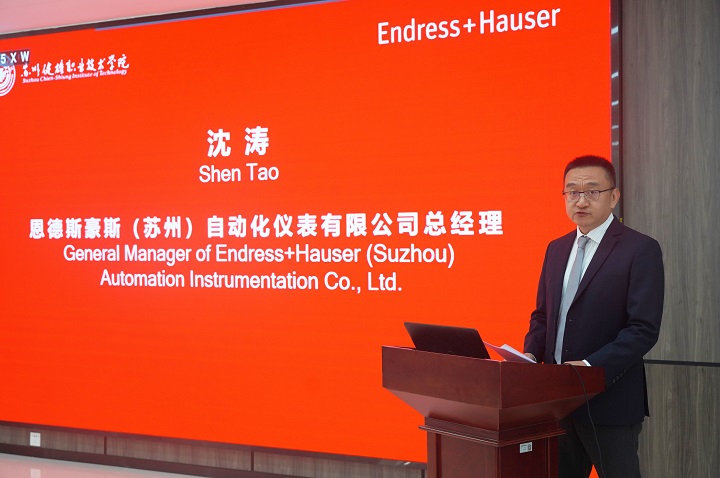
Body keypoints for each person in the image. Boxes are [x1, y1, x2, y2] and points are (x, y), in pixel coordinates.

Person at [523, 155, 664, 478]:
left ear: (613, 197)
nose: (581, 200)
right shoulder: (556, 248)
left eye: (591, 191)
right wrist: (529, 354)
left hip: (609, 401)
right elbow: (543, 315)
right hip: (557, 401)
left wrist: (589, 368)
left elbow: (643, 329)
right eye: (572, 192)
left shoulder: (639, 249)